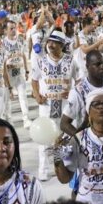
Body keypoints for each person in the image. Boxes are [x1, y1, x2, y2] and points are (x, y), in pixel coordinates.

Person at [32, 30, 79, 181]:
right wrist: (37, 95)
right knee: (45, 136)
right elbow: (34, 80)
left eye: (55, 42)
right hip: (47, 105)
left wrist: (73, 93)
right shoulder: (41, 61)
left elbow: (78, 81)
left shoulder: (71, 60)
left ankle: (61, 165)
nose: (50, 45)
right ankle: (43, 168)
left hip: (65, 105)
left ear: (62, 45)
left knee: (63, 136)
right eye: (49, 42)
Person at [61, 50, 103, 137]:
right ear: (87, 67)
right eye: (97, 64)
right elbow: (64, 124)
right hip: (90, 142)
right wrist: (81, 139)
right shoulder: (78, 91)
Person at [2, 21, 32, 128]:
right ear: (5, 30)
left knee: (23, 96)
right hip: (8, 73)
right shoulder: (2, 43)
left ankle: (26, 119)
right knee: (7, 98)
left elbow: (23, 55)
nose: (14, 30)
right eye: (11, 28)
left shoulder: (20, 40)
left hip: (19, 72)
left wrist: (27, 71)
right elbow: (2, 62)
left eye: (14, 28)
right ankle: (9, 120)